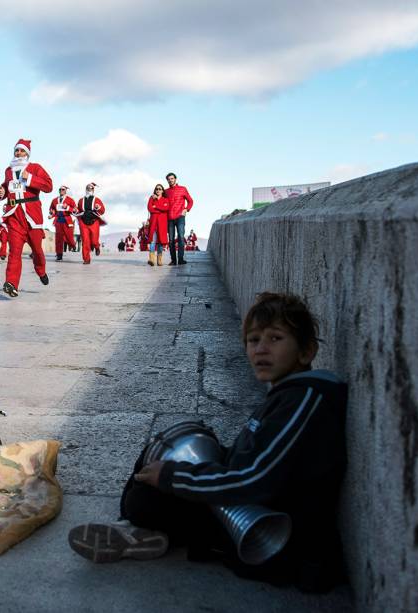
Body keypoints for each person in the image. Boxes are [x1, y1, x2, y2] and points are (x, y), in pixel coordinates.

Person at [67, 292, 348, 594]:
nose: (261, 349)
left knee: (147, 496)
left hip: (277, 537)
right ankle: (145, 530)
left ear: (306, 352)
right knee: (165, 456)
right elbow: (258, 461)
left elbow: (255, 478)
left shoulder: (303, 400)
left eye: (275, 338)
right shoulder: (289, 395)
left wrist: (175, 476)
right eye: (253, 340)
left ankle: (139, 528)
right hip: (257, 506)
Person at [0, 139, 53, 298]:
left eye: (21, 151)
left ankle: (41, 270)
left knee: (37, 250)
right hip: (14, 215)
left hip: (32, 215)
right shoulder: (8, 171)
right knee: (14, 252)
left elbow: (49, 186)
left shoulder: (35, 168)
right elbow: (6, 187)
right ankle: (11, 284)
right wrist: (1, 193)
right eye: (16, 151)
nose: (18, 153)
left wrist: (30, 178)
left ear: (27, 153)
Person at [164, 172, 194, 265]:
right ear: (167, 180)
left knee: (181, 237)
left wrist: (186, 209)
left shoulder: (182, 189)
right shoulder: (166, 191)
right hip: (170, 218)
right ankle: (173, 260)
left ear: (175, 179)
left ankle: (180, 259)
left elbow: (190, 201)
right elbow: (162, 202)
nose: (170, 180)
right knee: (171, 240)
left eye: (172, 178)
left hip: (180, 217)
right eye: (169, 179)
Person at [75, 183, 106, 264]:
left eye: (91, 188)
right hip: (83, 221)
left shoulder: (97, 199)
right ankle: (86, 259)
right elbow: (78, 210)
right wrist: (75, 210)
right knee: (85, 241)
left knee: (94, 240)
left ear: (93, 189)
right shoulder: (81, 200)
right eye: (88, 188)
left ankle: (97, 246)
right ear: (85, 189)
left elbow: (102, 210)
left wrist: (98, 207)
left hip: (94, 221)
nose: (89, 189)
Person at [48, 185, 77, 261]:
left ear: (65, 191)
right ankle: (59, 255)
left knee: (69, 237)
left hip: (67, 220)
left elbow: (75, 210)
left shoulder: (70, 200)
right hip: (58, 221)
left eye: (63, 189)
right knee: (58, 239)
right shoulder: (54, 200)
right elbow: (52, 209)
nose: (61, 191)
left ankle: (73, 245)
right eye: (60, 189)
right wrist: (51, 213)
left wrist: (67, 207)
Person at [146, 184, 170, 267]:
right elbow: (149, 208)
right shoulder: (151, 198)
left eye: (160, 189)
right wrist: (159, 209)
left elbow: (166, 208)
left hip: (162, 224)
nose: (158, 190)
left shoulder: (165, 200)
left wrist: (156, 206)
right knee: (152, 241)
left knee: (160, 242)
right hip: (153, 223)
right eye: (156, 189)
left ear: (162, 191)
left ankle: (159, 260)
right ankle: (151, 259)